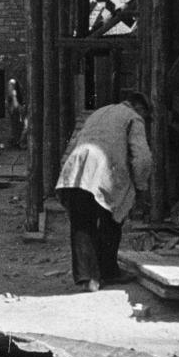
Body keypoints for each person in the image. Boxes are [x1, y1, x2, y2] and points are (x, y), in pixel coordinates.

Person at [55, 92, 152, 290]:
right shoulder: (134, 117)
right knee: (112, 221)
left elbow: (73, 143)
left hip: (75, 168)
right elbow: (142, 157)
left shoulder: (98, 113)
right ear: (140, 108)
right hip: (103, 169)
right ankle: (108, 271)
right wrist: (141, 186)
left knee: (81, 223)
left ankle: (87, 278)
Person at [4, 74, 26, 149]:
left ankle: (18, 142)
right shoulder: (9, 96)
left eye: (12, 85)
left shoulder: (17, 94)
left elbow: (18, 105)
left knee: (19, 128)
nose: (10, 87)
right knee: (14, 128)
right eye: (10, 85)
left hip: (17, 114)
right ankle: (14, 142)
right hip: (13, 114)